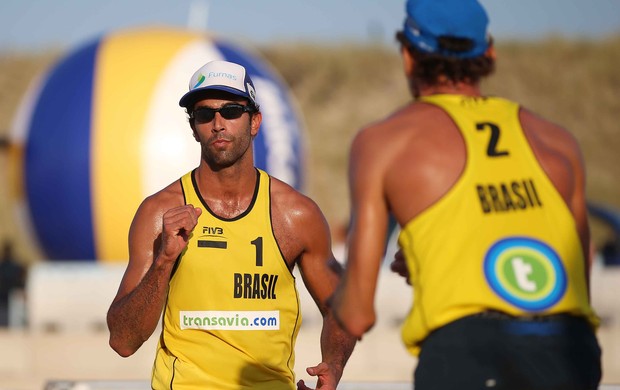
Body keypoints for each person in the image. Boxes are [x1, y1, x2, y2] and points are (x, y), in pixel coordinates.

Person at [331, 0, 602, 389]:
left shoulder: (384, 142)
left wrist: (332, 289)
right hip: (569, 350)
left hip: (470, 354)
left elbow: (356, 314)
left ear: (409, 56)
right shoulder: (558, 141)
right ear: (489, 52)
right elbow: (577, 264)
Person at [107, 60, 356, 390]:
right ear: (194, 127)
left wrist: (334, 365)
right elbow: (123, 341)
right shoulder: (160, 213)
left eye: (231, 110)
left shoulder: (296, 215)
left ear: (255, 122)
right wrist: (164, 261)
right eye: (205, 114)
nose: (218, 123)